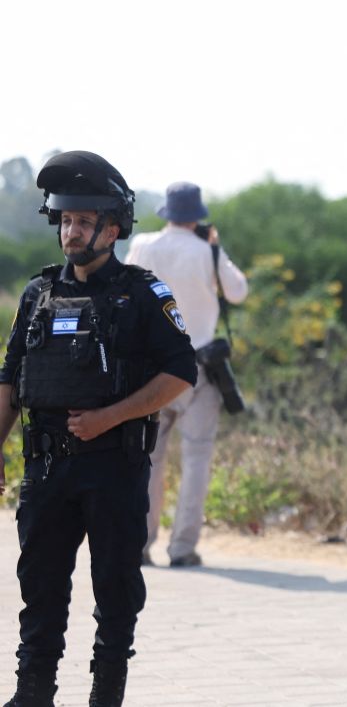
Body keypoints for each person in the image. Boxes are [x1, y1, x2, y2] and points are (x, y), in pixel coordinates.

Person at [0, 151, 197, 707]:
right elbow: (10, 375)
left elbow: (181, 372)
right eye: (65, 220)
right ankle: (32, 692)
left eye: (84, 221)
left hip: (113, 465)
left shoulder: (142, 294)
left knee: (115, 589)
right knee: (40, 586)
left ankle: (105, 695)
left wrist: (110, 416)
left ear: (113, 229)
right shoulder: (38, 294)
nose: (71, 231)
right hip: (46, 467)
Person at [124, 182, 247, 569]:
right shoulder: (206, 250)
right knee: (196, 458)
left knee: (148, 459)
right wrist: (216, 248)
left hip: (151, 368)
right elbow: (238, 292)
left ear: (167, 212)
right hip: (199, 367)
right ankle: (182, 548)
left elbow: (123, 293)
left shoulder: (143, 245)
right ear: (197, 216)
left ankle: (140, 544)